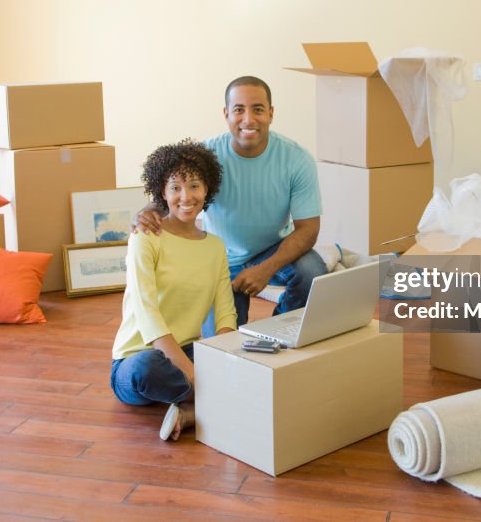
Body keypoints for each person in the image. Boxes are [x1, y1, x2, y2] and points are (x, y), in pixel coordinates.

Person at [134, 76, 327, 331]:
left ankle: (279, 328)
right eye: (238, 110)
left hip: (271, 248)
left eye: (258, 109)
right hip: (219, 256)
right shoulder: (204, 155)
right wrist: (146, 211)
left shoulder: (297, 159)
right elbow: (172, 194)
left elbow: (308, 229)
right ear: (226, 114)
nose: (248, 119)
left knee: (313, 271)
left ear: (271, 113)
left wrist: (265, 269)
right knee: (220, 341)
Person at [110, 140, 236, 441]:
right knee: (145, 368)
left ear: (207, 190)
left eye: (194, 185)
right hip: (139, 358)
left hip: (191, 349)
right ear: (162, 193)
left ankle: (192, 411)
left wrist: (224, 359)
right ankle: (216, 401)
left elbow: (225, 311)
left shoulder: (215, 247)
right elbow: (146, 314)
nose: (186, 196)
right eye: (175, 187)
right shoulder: (145, 237)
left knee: (248, 359)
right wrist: (194, 375)